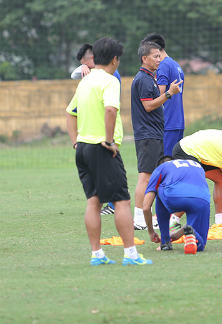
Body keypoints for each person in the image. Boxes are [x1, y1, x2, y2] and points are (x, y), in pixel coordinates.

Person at [65, 37, 152, 265]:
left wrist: (76, 142)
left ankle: (97, 254)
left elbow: (70, 113)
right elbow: (111, 109)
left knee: (93, 201)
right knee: (121, 200)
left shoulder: (85, 81)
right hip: (101, 148)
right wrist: (109, 140)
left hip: (83, 148)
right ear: (115, 59)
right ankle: (131, 254)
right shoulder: (110, 80)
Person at [130, 41, 182, 230]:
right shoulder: (143, 79)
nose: (159, 59)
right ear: (145, 59)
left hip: (154, 133)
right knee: (145, 176)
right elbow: (148, 105)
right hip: (147, 135)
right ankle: (138, 218)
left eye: (160, 56)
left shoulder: (149, 77)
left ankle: (147, 215)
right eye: (155, 56)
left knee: (153, 176)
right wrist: (169, 93)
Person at [70, 43, 122, 216]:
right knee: (106, 193)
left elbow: (110, 110)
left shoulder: (110, 77)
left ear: (93, 58)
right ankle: (111, 206)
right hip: (100, 140)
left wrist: (76, 142)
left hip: (101, 139)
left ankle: (112, 206)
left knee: (104, 196)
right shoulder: (94, 79)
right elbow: (74, 74)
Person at [142, 156, 211, 254]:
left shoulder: (161, 168)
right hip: (202, 199)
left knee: (158, 188)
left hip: (175, 196)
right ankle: (192, 234)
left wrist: (151, 232)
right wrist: (175, 236)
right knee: (199, 244)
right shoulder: (196, 165)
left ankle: (165, 242)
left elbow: (146, 207)